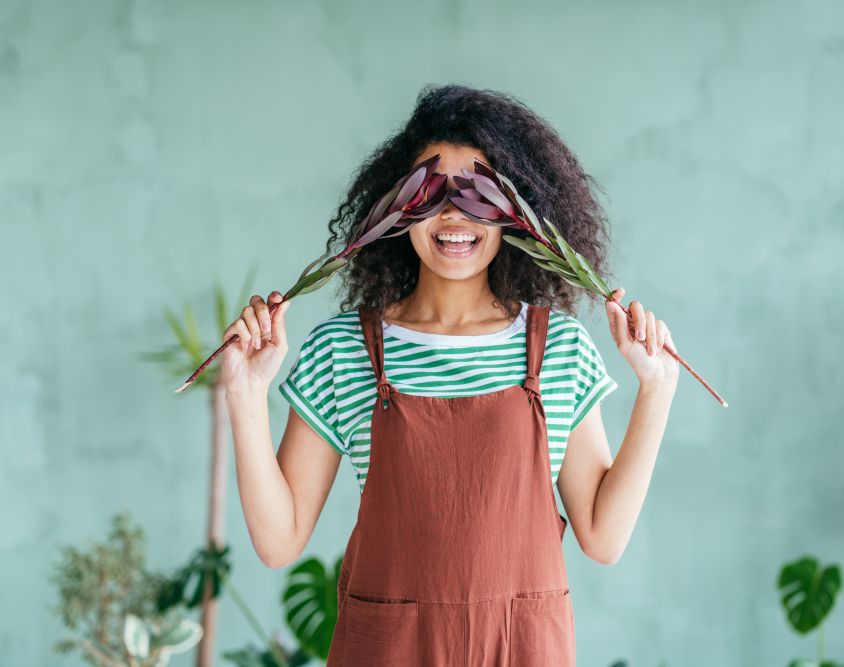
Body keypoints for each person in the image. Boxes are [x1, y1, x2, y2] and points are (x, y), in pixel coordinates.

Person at [220, 84, 679, 666]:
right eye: (430, 191)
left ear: (518, 212)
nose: (454, 213)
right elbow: (277, 541)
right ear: (396, 206)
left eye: (480, 191)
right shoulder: (343, 350)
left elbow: (603, 537)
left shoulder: (559, 348)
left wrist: (657, 389)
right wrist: (245, 392)